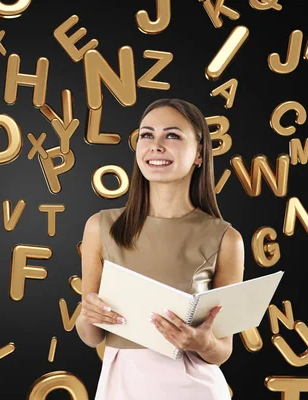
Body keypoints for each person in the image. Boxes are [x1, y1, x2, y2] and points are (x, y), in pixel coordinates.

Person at [76, 98, 245, 400]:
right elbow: (91, 337)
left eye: (172, 135)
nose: (155, 145)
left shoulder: (226, 239)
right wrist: (88, 315)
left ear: (200, 154)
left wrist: (201, 342)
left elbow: (222, 351)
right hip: (120, 387)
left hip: (195, 389)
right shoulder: (100, 227)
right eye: (146, 134)